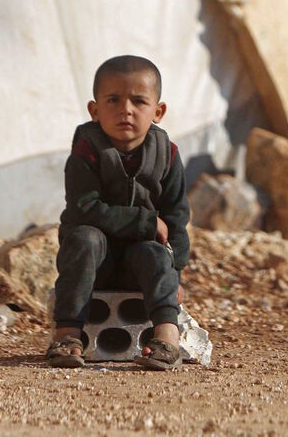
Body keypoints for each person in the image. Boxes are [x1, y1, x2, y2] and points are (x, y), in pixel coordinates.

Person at [47, 55, 190, 371]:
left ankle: (167, 339)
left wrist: (176, 270)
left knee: (155, 252)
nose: (126, 109)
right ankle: (68, 336)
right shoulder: (86, 152)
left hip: (141, 262)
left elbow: (177, 217)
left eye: (139, 101)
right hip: (93, 263)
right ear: (94, 110)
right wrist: (146, 221)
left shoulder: (167, 155)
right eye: (113, 100)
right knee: (84, 237)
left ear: (158, 111)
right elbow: (84, 207)